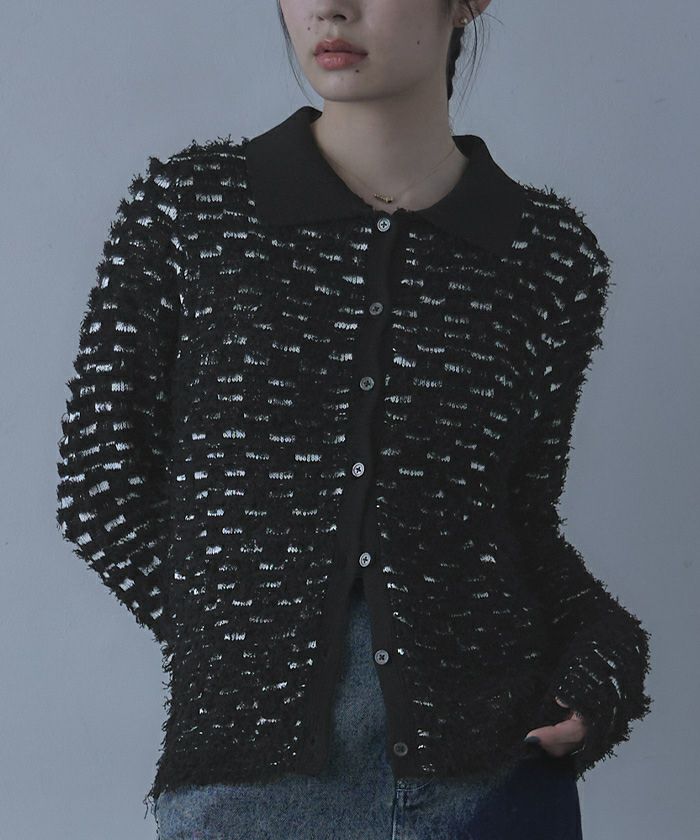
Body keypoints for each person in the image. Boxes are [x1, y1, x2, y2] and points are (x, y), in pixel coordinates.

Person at [55, 2, 652, 838]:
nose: (330, 7)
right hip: (252, 800)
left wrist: (607, 651)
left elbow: (519, 517)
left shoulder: (545, 253)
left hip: (494, 786)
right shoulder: (194, 210)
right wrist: (245, 643)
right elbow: (100, 490)